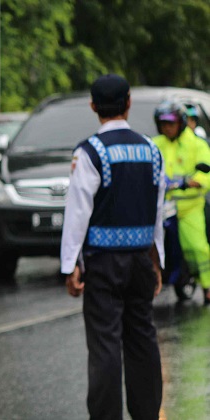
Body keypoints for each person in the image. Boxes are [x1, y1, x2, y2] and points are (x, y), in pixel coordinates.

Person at [60, 74, 165, 420]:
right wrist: (157, 260)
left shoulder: (91, 151)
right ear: (129, 103)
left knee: (105, 345)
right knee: (142, 339)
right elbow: (158, 210)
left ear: (93, 107)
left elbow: (78, 213)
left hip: (103, 264)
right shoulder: (151, 150)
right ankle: (147, 413)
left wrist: (70, 265)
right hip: (139, 260)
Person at [153, 101, 210, 304]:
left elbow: (206, 175)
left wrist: (191, 182)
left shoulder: (197, 144)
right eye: (163, 123)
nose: (167, 127)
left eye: (171, 123)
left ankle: (207, 286)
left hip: (189, 207)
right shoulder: (156, 144)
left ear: (181, 123)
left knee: (197, 248)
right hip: (162, 208)